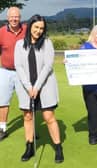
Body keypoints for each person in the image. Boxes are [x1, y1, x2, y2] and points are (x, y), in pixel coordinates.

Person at [14, 14, 64, 163]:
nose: (39, 31)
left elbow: (48, 66)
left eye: (42, 28)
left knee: (48, 117)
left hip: (45, 86)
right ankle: (29, 147)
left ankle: (58, 147)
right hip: (26, 88)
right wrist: (29, 87)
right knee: (28, 116)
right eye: (36, 27)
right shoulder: (19, 44)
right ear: (30, 26)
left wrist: (36, 87)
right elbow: (19, 66)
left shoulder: (47, 43)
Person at [0, 6, 26, 140]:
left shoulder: (27, 30)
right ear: (8, 18)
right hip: (5, 71)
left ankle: (30, 129)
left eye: (16, 17)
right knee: (3, 101)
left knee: (26, 102)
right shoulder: (1, 32)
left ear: (20, 18)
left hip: (24, 72)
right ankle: (2, 128)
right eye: (12, 17)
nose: (14, 19)